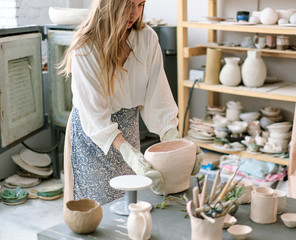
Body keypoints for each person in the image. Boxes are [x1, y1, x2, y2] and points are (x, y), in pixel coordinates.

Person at [60, 0, 203, 205]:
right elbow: (95, 116)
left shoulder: (147, 39)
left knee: (129, 204)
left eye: (141, 4)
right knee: (100, 210)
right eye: (128, 4)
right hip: (92, 135)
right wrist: (130, 154)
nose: (135, 13)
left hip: (128, 129)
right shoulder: (86, 47)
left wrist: (176, 141)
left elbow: (158, 97)